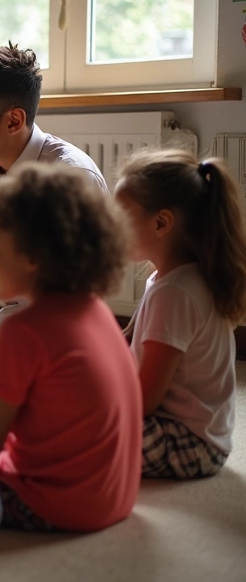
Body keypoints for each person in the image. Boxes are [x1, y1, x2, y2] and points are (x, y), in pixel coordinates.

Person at [0, 163, 140, 531]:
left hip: (56, 502)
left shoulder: (23, 331)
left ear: (32, 257)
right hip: (115, 498)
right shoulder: (96, 309)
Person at [0, 43, 105, 340]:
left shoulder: (70, 176)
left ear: (14, 120)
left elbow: (75, 298)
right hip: (9, 327)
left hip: (61, 335)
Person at [114, 149, 246, 478]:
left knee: (71, 427)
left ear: (161, 223)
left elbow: (143, 401)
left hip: (188, 441)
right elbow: (131, 345)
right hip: (201, 435)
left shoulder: (175, 293)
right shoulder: (172, 278)